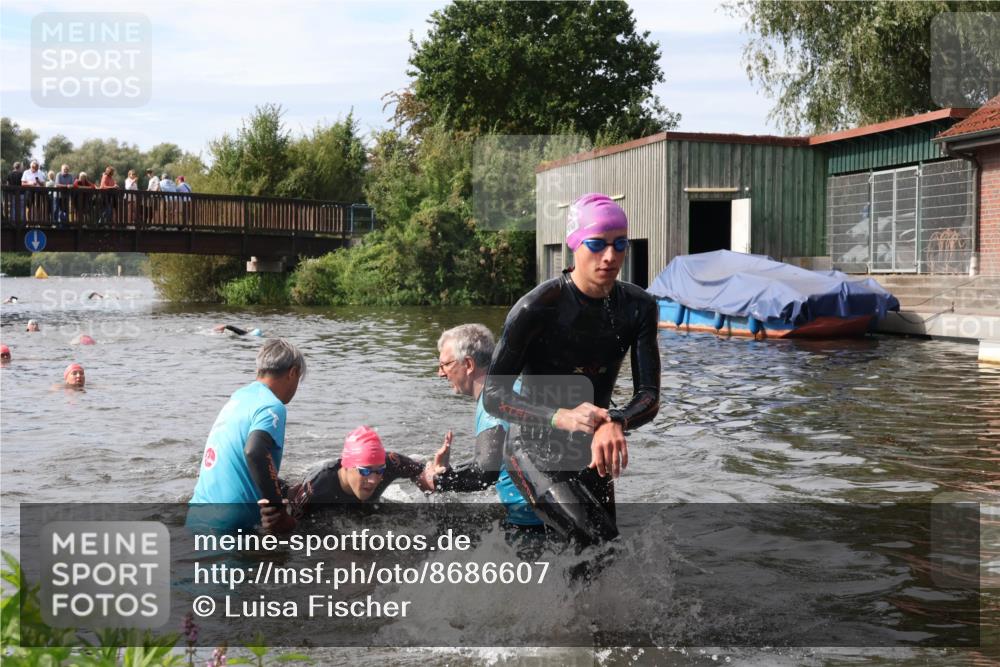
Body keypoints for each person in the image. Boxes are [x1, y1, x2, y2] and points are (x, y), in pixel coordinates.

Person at [482, 193, 661, 547]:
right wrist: (559, 416)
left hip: (591, 447)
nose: (610, 257)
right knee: (593, 538)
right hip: (533, 444)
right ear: (574, 244)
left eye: (620, 244)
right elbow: (493, 396)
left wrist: (616, 420)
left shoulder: (638, 307)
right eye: (597, 244)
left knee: (606, 552)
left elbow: (650, 396)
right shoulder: (536, 307)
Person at [188, 339, 306, 532]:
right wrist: (279, 513)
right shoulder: (272, 405)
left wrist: (282, 489)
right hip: (233, 525)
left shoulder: (239, 397)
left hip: (198, 516)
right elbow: (255, 451)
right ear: (292, 372)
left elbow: (238, 460)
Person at [260, 426, 442, 532]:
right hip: (326, 514)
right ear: (346, 465)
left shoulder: (392, 462)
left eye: (379, 471)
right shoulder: (316, 488)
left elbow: (423, 473)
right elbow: (292, 527)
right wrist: (278, 521)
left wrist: (435, 477)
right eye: (365, 471)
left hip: (368, 509)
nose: (373, 480)